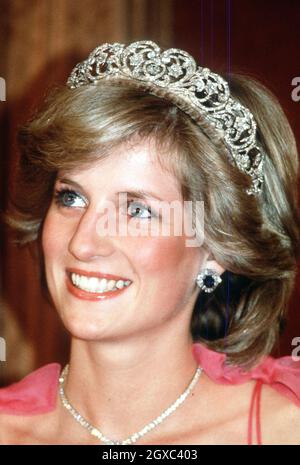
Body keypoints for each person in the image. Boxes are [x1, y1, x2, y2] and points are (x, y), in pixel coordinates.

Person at [1, 40, 300, 445]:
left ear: (215, 249)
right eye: (71, 197)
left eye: (137, 210)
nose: (84, 243)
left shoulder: (281, 430)